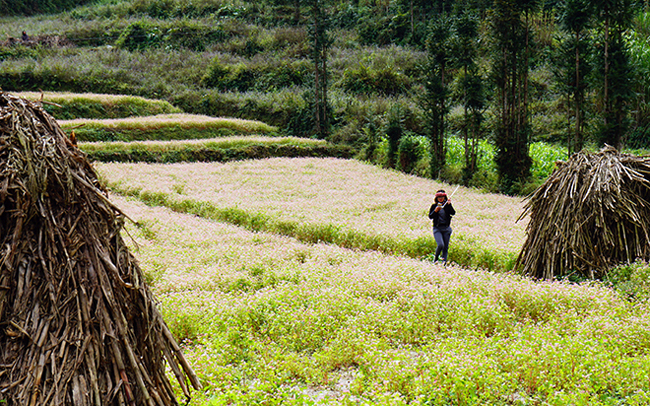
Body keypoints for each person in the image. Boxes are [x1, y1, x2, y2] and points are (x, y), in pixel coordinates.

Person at [428, 189, 455, 263]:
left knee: (445, 248)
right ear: (436, 198)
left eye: (442, 197)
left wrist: (449, 205)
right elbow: (430, 216)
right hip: (437, 228)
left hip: (446, 229)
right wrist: (435, 211)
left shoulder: (447, 205)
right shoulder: (434, 206)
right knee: (440, 245)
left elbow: (453, 213)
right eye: (439, 197)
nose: (440, 198)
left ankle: (444, 263)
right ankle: (435, 260)